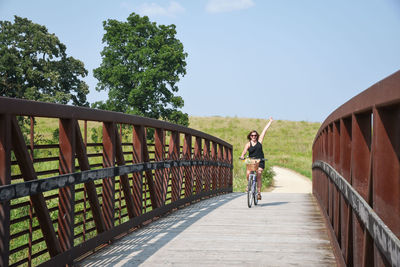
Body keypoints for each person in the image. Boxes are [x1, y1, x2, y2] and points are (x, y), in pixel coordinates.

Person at [240, 117, 273, 200]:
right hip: (251, 160)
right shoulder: (248, 144)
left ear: (256, 136)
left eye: (255, 135)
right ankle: (249, 184)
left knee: (258, 174)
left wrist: (270, 122)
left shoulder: (260, 141)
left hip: (260, 160)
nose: (254, 137)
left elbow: (264, 131)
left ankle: (258, 193)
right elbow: (244, 151)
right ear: (250, 136)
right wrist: (242, 156)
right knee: (248, 173)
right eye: (252, 135)